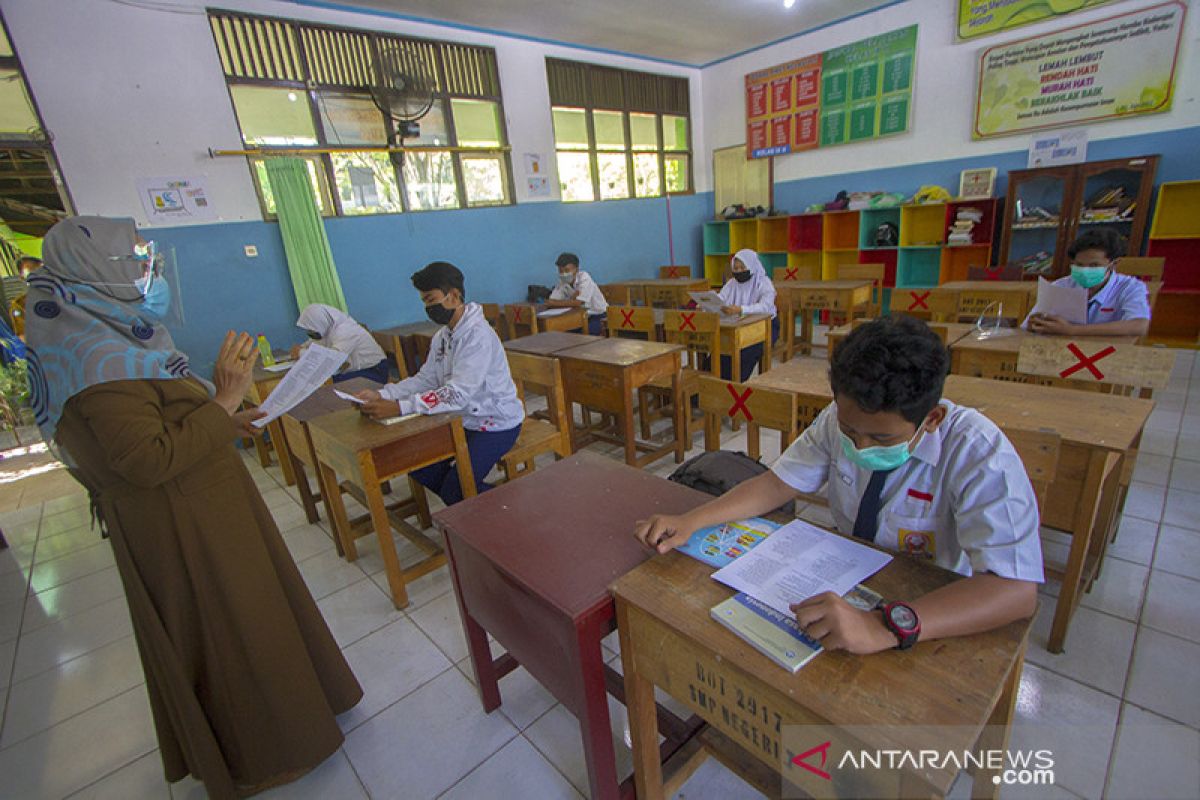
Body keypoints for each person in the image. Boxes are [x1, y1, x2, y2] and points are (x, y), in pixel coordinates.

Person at [26, 217, 362, 799]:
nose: (143, 272)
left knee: (258, 618)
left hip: (202, 506)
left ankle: (305, 711)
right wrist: (227, 396)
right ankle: (270, 752)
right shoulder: (92, 360)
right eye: (128, 260)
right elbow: (146, 461)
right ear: (93, 272)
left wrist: (221, 417)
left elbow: (161, 425)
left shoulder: (115, 338)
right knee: (232, 633)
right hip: (182, 527)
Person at [635, 316, 1042, 654]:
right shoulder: (838, 418)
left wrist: (885, 627)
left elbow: (1017, 591)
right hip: (849, 575)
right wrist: (692, 520)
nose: (859, 446)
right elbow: (778, 484)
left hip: (931, 605)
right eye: (850, 432)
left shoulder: (979, 452)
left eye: (881, 440)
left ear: (932, 419)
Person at [356, 261, 524, 505]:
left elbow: (458, 393)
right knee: (414, 462)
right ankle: (469, 500)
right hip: (462, 419)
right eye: (424, 301)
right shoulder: (444, 335)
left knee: (455, 489)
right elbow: (426, 378)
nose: (428, 307)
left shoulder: (478, 336)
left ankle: (509, 508)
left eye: (430, 299)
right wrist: (384, 394)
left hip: (496, 423)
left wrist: (401, 407)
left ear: (454, 296)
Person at [1024, 228, 1151, 337]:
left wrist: (1072, 330)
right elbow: (1030, 324)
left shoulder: (1130, 287)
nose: (1085, 271)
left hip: (1110, 353)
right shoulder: (1060, 286)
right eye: (1079, 265)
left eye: (1094, 265)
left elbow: (1139, 326)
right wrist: (1036, 324)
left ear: (1113, 264)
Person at [290, 302, 389, 383]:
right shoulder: (327, 328)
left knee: (328, 383)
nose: (310, 334)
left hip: (374, 371)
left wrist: (301, 353)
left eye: (312, 330)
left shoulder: (345, 330)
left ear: (320, 322)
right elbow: (313, 344)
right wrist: (301, 348)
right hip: (357, 369)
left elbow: (332, 360)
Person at [718, 249, 778, 381]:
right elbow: (721, 298)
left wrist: (741, 309)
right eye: (736, 268)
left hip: (764, 327)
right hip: (738, 325)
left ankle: (733, 385)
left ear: (751, 266)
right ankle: (710, 387)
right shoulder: (732, 283)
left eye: (742, 267)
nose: (739, 271)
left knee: (744, 352)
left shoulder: (763, 282)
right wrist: (707, 304)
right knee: (720, 350)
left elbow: (765, 307)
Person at [546, 252, 607, 335]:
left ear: (577, 269)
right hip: (579, 317)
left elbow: (579, 303)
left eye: (567, 270)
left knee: (583, 335)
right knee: (562, 333)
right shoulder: (562, 282)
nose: (563, 274)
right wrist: (572, 301)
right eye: (560, 271)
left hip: (598, 315)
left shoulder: (584, 277)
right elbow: (550, 302)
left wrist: (573, 302)